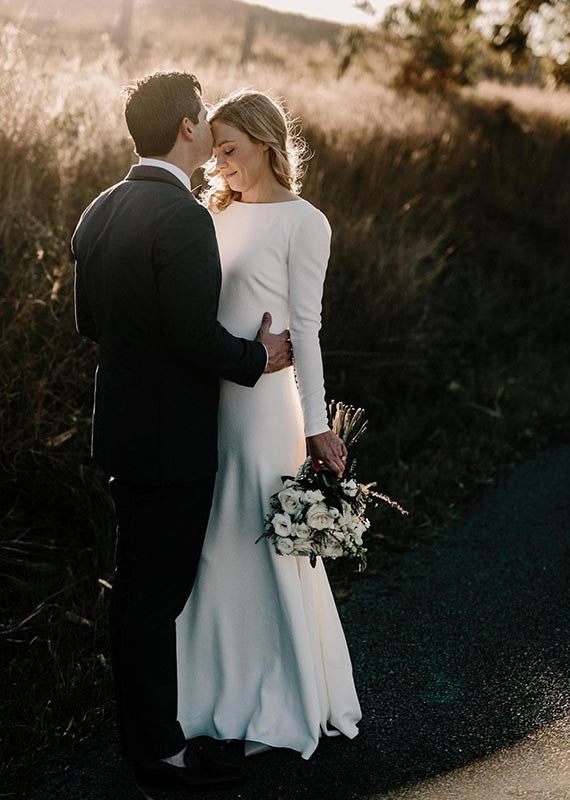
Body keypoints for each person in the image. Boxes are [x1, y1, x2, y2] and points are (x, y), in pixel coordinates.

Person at [71, 71, 293, 791]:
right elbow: (196, 338)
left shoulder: (100, 210)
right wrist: (260, 357)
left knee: (135, 590)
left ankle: (144, 737)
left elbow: (89, 324)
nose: (207, 126)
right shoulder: (184, 217)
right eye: (201, 116)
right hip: (173, 444)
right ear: (186, 128)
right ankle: (158, 751)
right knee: (156, 597)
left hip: (122, 435)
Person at [175, 89, 362, 760]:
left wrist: (316, 425)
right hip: (205, 401)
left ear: (264, 143)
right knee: (210, 543)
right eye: (213, 151)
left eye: (229, 150)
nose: (217, 165)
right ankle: (208, 689)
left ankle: (285, 696)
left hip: (263, 411)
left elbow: (307, 331)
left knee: (260, 537)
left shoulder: (304, 223)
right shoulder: (209, 216)